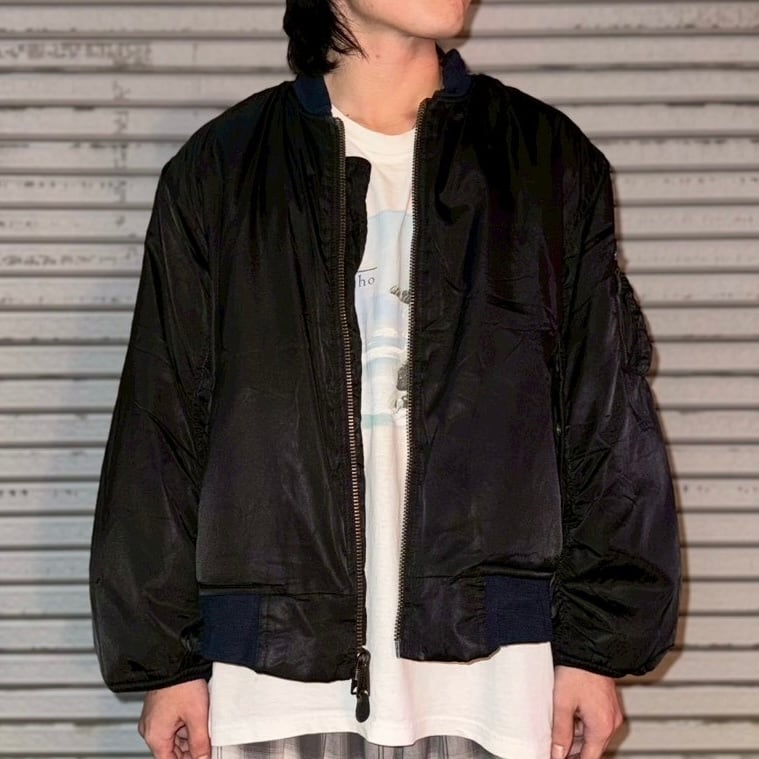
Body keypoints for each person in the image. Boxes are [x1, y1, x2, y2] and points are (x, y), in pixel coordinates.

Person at [88, 1, 681, 758]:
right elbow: (162, 425)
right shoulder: (223, 169)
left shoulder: (544, 160)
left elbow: (607, 419)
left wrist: (595, 649)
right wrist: (168, 662)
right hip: (271, 672)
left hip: (494, 672)